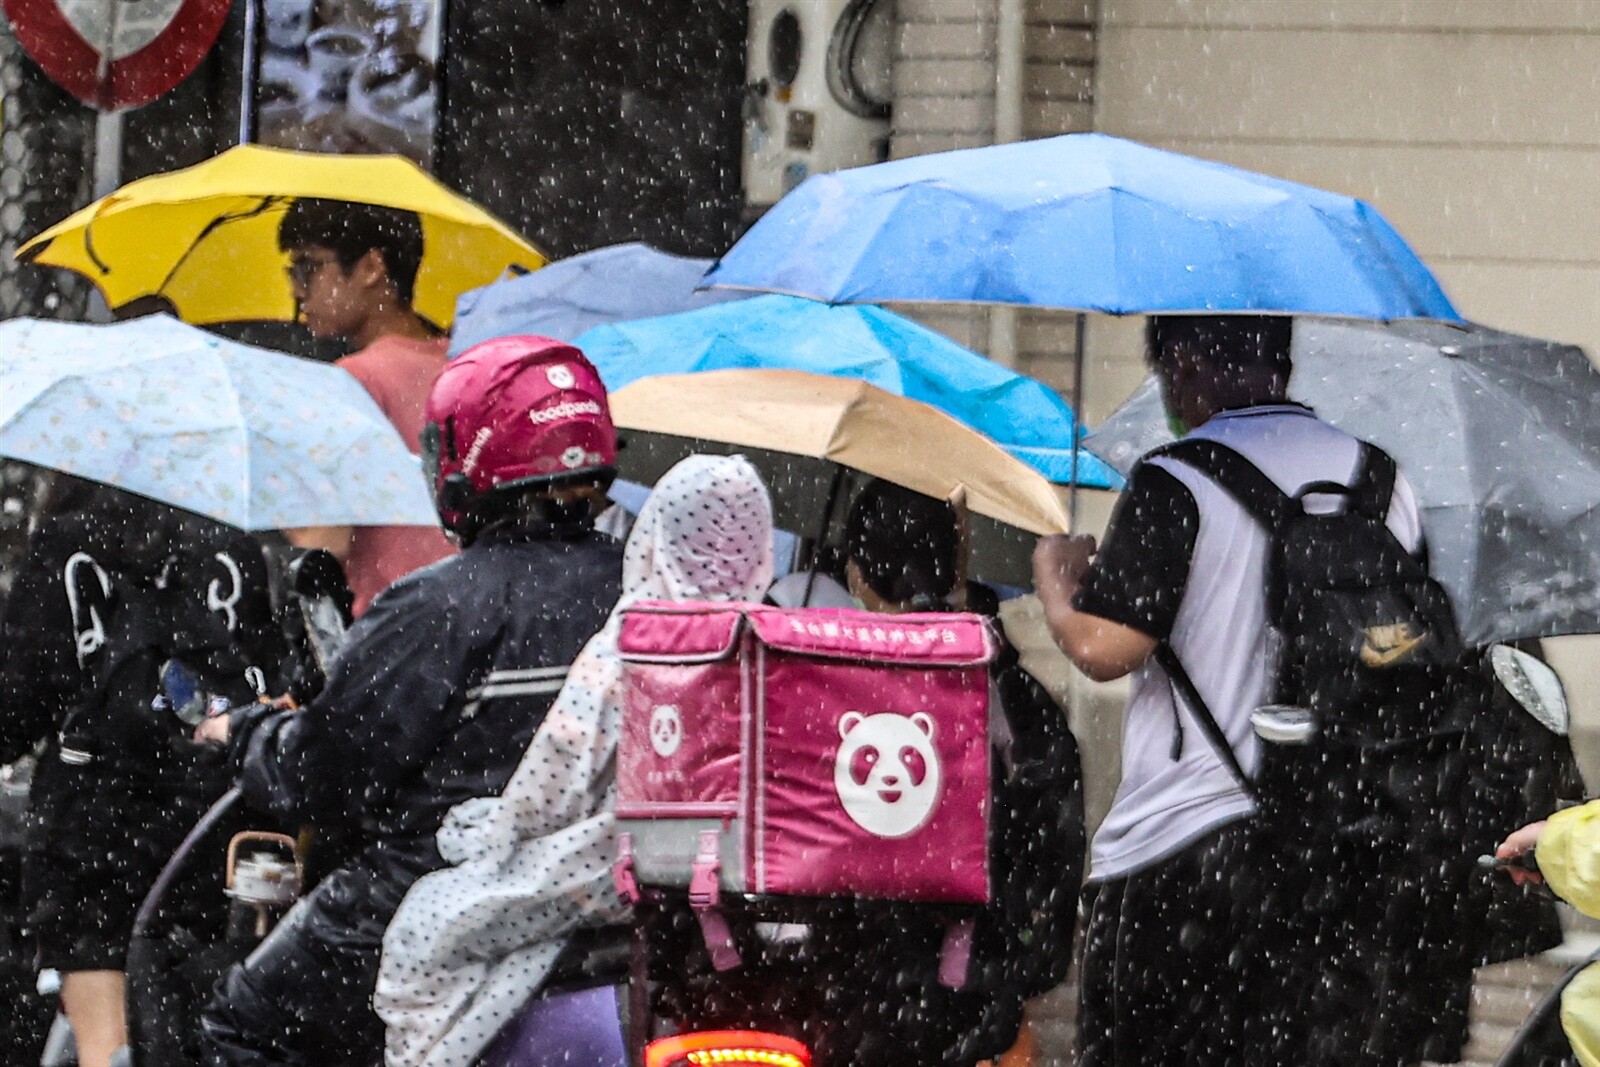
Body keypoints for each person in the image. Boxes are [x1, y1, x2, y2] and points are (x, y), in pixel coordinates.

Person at [195, 336, 625, 1066]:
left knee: (242, 1024)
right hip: (629, 903)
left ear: (465, 465)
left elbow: (318, 777)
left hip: (437, 899)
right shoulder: (659, 592)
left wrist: (242, 732)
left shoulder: (437, 607)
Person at [1030, 315, 1425, 1067]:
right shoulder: (1382, 479)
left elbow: (1105, 648)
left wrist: (1058, 585)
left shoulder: (1173, 478)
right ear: (1281, 361)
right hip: (1338, 851)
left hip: (1182, 846)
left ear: (1184, 366)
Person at [374, 453, 776, 1067]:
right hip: (748, 881)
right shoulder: (778, 646)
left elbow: (555, 780)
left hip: (617, 871)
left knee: (427, 927)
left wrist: (506, 827)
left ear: (655, 537)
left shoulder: (635, 641)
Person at [0, 479, 287, 1067]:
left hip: (93, 832)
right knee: (209, 1023)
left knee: (109, 1047)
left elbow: (17, 706)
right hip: (210, 824)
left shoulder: (67, 541)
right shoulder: (235, 540)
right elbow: (267, 681)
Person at [842, 478, 1084, 1067]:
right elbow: (1056, 843)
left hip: (845, 982)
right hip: (973, 991)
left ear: (856, 575)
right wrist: (1026, 967)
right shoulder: (1015, 697)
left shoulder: (835, 689)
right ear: (957, 569)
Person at [277, 196, 455, 615]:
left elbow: (322, 539)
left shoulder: (353, 379)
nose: (296, 289)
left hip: (389, 625)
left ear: (372, 268)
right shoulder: (464, 362)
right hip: (467, 614)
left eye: (308, 268)